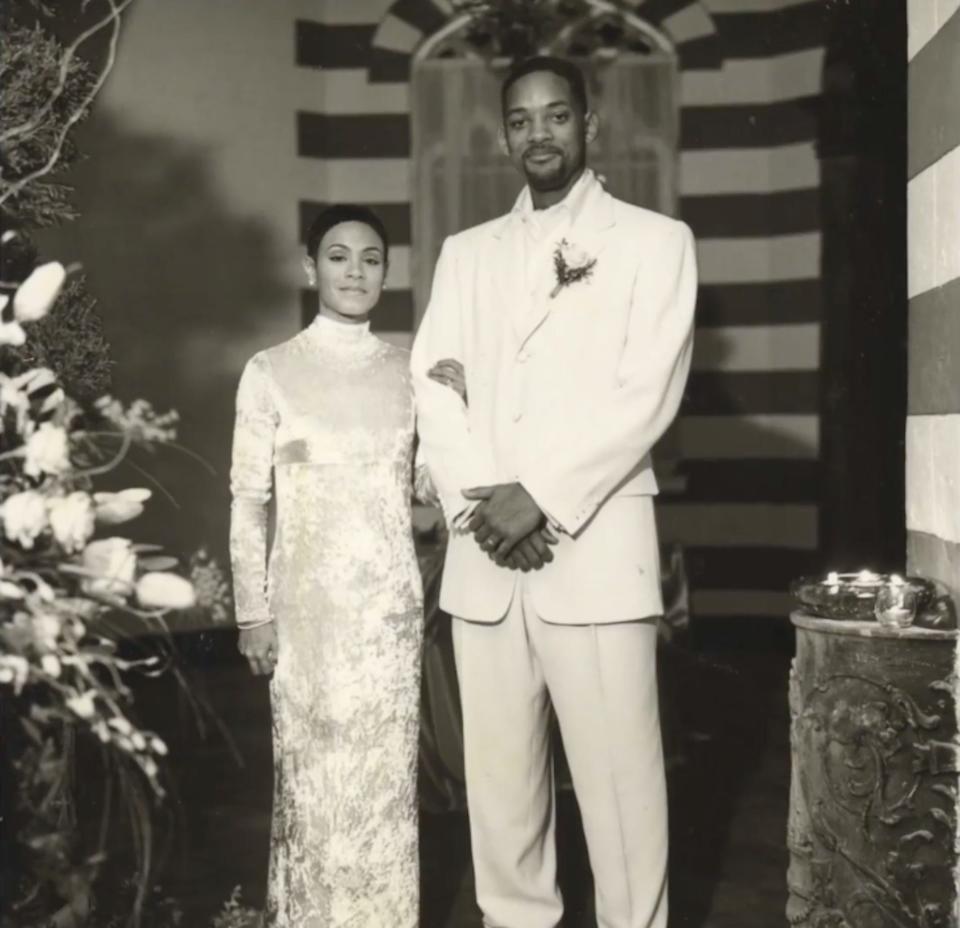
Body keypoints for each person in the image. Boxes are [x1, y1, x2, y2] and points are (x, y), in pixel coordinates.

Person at [411, 56, 697, 928]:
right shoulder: (466, 254)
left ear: (590, 126)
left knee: (620, 792)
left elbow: (644, 398)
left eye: (557, 115)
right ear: (505, 136)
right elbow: (434, 385)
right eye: (523, 119)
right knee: (500, 792)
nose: (541, 132)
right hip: (486, 558)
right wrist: (483, 503)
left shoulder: (654, 242)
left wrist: (538, 496)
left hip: (595, 548)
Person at [229, 204, 459, 927]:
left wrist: (462, 405)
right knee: (312, 788)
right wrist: (252, 612)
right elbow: (246, 500)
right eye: (338, 255)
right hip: (304, 618)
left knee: (384, 794)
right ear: (309, 268)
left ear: (387, 274)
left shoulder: (410, 370)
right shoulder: (269, 372)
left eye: (369, 259)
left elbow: (432, 487)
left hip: (387, 619)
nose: (354, 271)